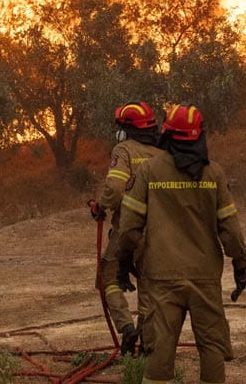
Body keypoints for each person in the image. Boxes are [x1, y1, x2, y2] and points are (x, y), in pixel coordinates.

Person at [117, 104, 246, 384]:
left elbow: (129, 226)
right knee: (212, 346)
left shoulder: (150, 172)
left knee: (160, 349)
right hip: (205, 277)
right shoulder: (214, 174)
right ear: (199, 136)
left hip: (162, 276)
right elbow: (231, 230)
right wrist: (239, 264)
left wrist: (124, 261)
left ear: (166, 134)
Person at [91, 101, 165, 355]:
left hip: (127, 230)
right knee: (148, 284)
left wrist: (100, 207)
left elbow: (114, 189)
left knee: (107, 278)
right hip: (157, 232)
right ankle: (146, 339)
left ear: (126, 129)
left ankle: (126, 328)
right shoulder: (162, 153)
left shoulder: (123, 150)